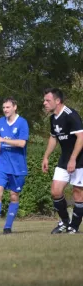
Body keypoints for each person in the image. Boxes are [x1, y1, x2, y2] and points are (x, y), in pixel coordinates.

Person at [0, 97, 29, 235]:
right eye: (4, 108)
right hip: (2, 164)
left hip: (17, 166)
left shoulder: (22, 123)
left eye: (8, 107)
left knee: (14, 196)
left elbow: (22, 143)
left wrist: (3, 140)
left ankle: (8, 227)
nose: (5, 110)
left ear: (15, 107)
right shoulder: (0, 122)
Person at [42, 88, 83, 234]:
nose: (44, 103)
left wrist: (73, 159)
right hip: (64, 159)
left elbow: (81, 137)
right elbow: (54, 138)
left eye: (48, 100)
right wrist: (46, 156)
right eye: (44, 100)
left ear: (57, 101)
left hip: (79, 159)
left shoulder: (71, 115)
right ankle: (65, 222)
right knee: (55, 191)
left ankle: (74, 226)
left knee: (78, 192)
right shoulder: (53, 118)